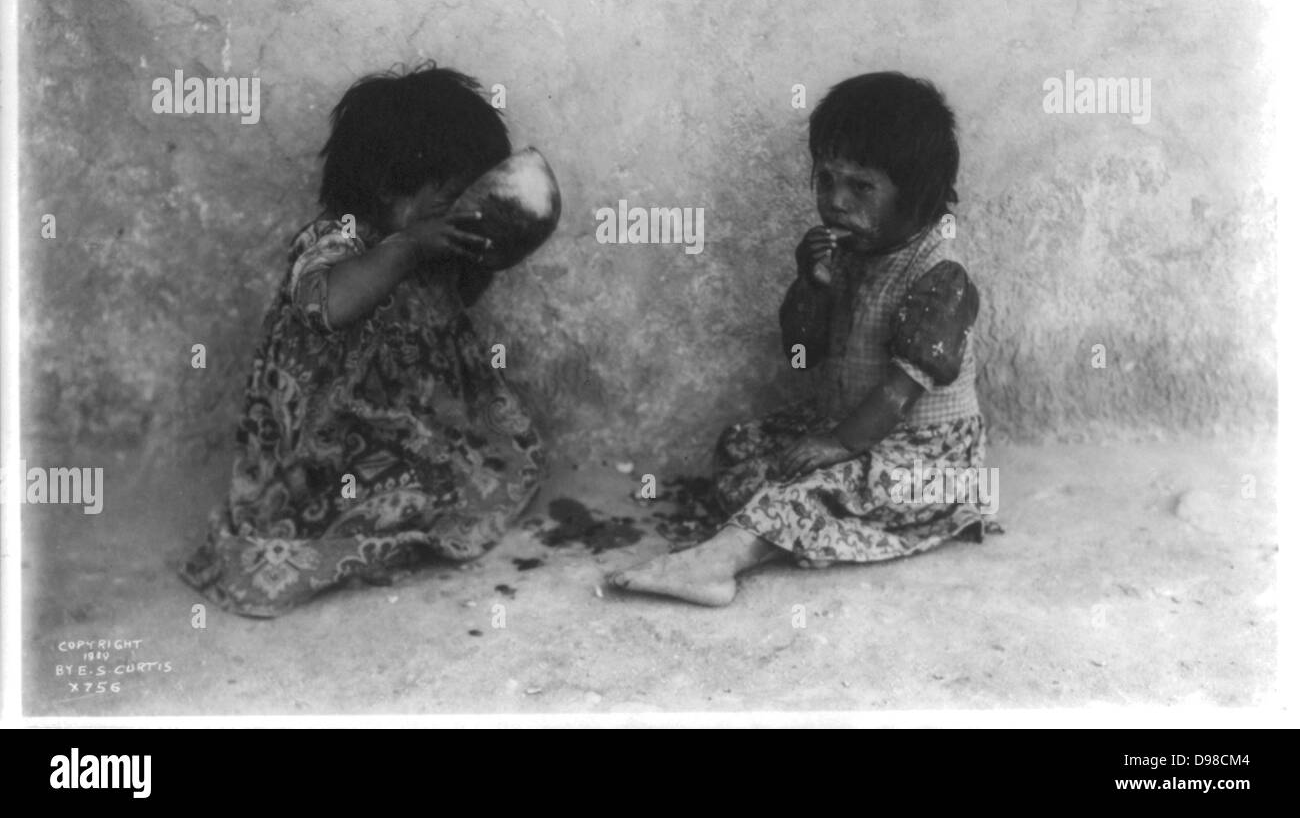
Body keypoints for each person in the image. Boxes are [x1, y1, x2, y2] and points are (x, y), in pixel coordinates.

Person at [610, 72, 991, 606]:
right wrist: (812, 288)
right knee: (741, 447)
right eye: (826, 179)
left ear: (917, 195)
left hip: (921, 456)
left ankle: (719, 566)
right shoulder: (853, 250)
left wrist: (835, 446)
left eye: (861, 187)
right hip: (853, 424)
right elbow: (803, 353)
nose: (835, 202)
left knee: (806, 488)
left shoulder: (939, 275)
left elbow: (899, 393)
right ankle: (773, 531)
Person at [181, 64, 543, 617]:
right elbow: (331, 306)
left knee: (486, 471)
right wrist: (408, 248)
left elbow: (450, 306)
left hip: (411, 419)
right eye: (453, 199)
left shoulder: (437, 240)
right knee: (319, 511)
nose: (465, 210)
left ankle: (404, 515)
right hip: (329, 434)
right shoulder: (339, 239)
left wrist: (492, 249)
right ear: (389, 189)